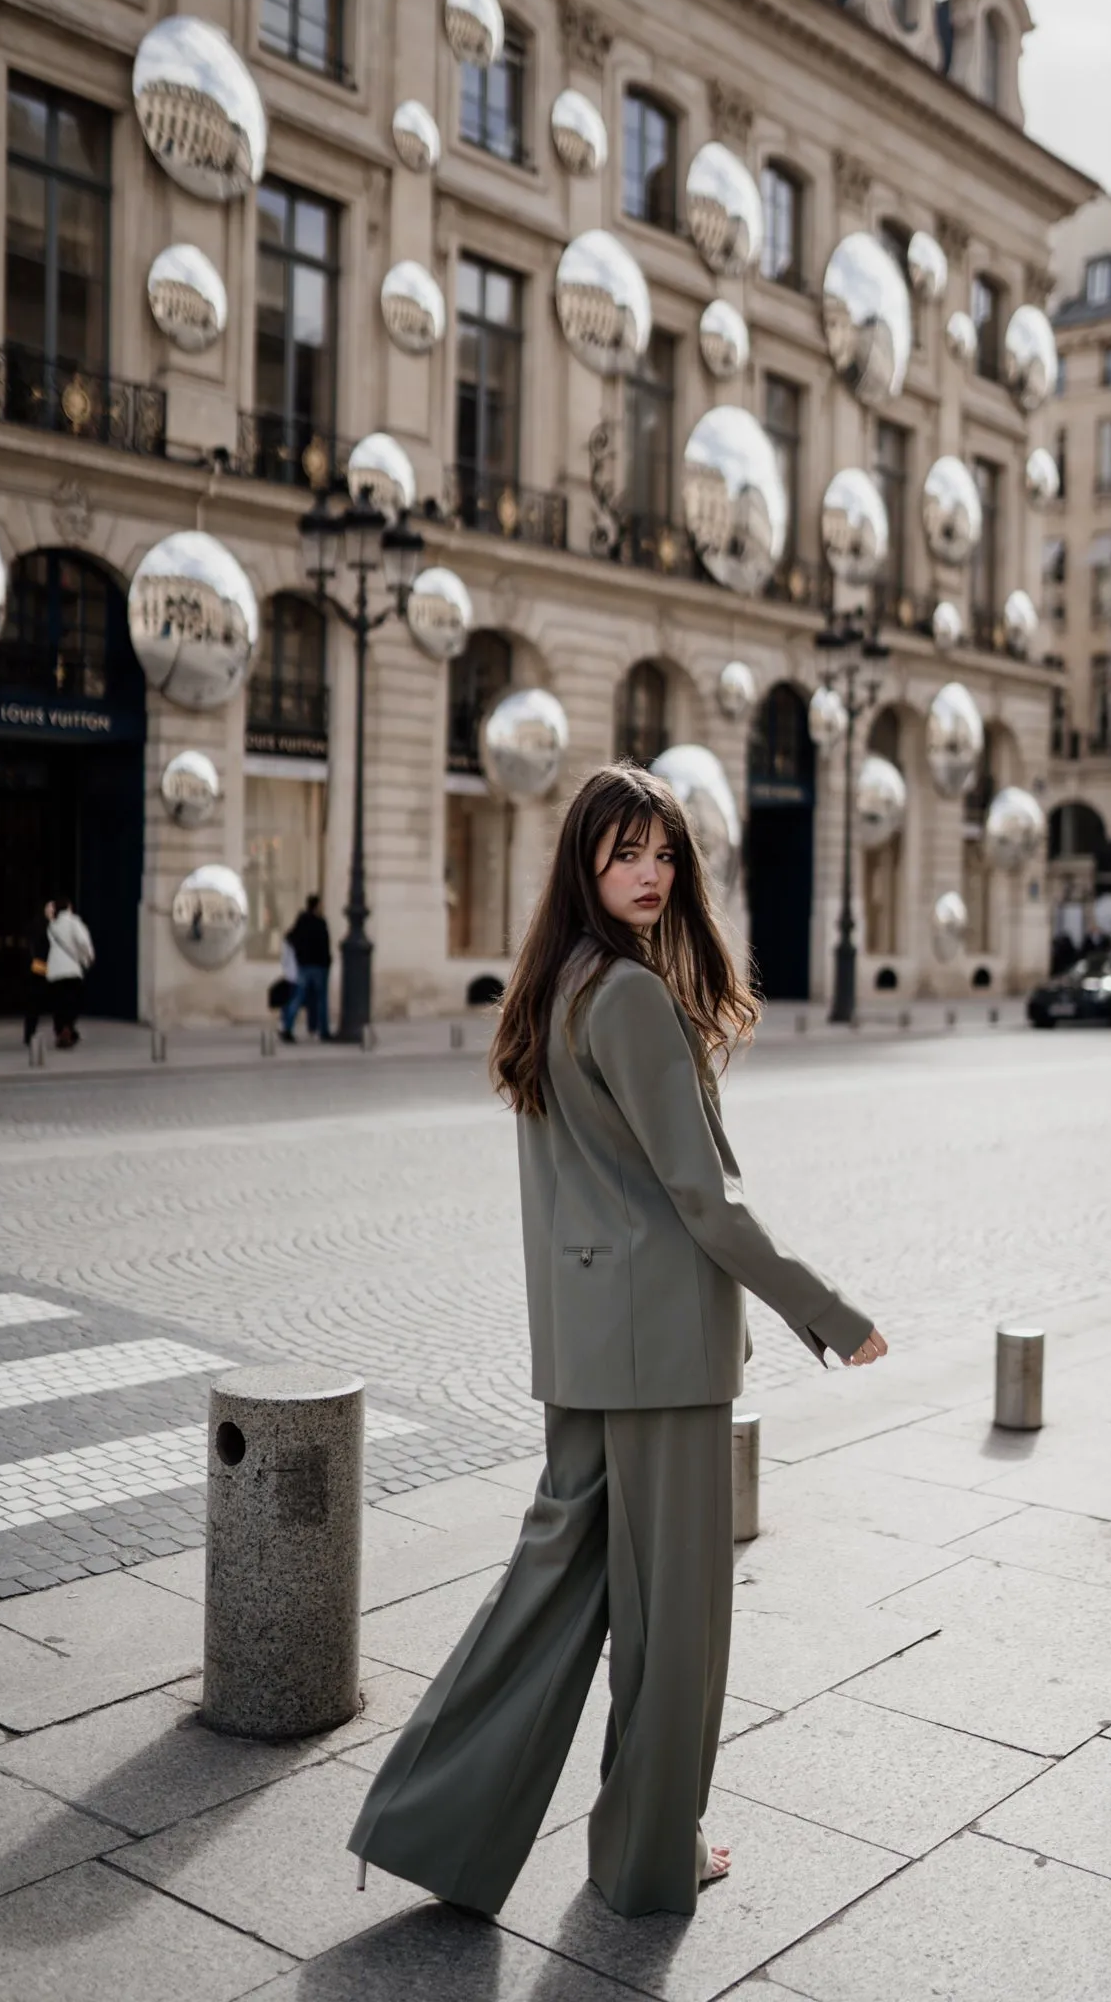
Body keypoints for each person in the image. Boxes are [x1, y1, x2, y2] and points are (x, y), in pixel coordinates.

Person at [348, 764, 887, 1920]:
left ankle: (430, 1820)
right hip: (664, 1350)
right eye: (626, 852)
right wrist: (830, 1312)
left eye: (664, 854)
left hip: (589, 1346)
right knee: (675, 1621)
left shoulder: (557, 985)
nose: (650, 874)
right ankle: (649, 1857)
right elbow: (705, 1201)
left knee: (547, 1594)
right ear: (586, 864)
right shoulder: (631, 995)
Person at [280, 895, 332, 1043]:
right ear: (317, 906)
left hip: (304, 965)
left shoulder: (301, 921)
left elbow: (290, 937)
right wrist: (327, 962)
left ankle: (287, 1027)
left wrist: (300, 955)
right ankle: (324, 1031)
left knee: (298, 997)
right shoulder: (320, 922)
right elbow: (325, 945)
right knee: (321, 1000)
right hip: (319, 966)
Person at [45, 896, 94, 1048]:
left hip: (54, 971)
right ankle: (68, 1028)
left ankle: (62, 1031)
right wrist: (88, 957)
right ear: (69, 907)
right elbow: (83, 941)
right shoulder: (74, 922)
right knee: (73, 1002)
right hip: (72, 969)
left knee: (58, 1003)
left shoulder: (52, 926)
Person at [22, 900, 55, 1045]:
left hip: (49, 967)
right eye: (49, 908)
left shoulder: (55, 926)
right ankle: (29, 1033)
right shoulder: (41, 926)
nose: (52, 911)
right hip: (40, 968)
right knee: (34, 1003)